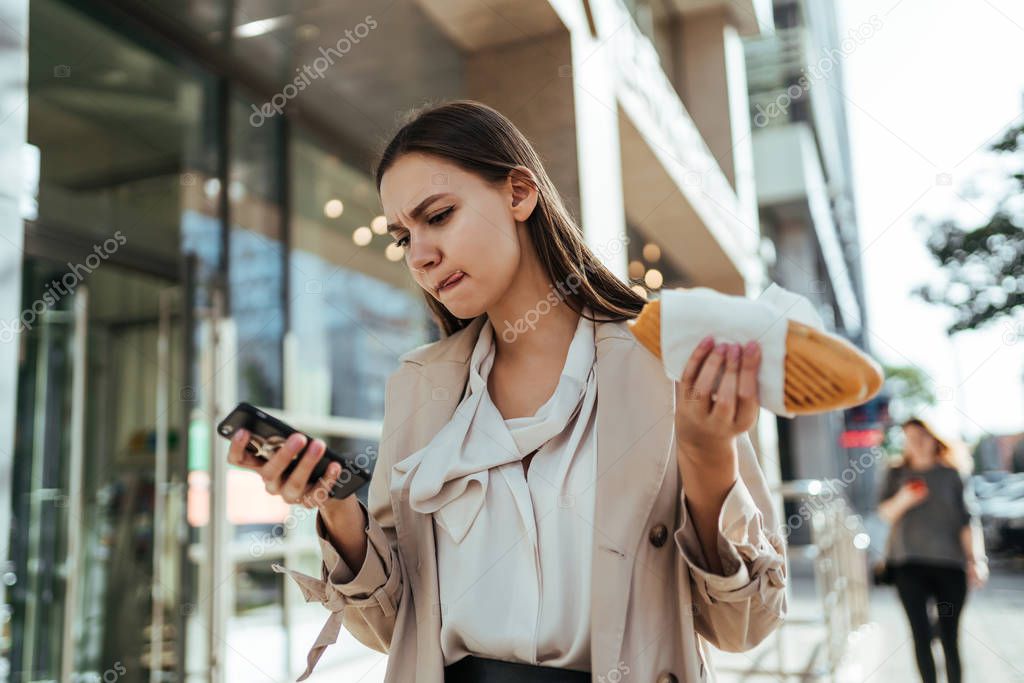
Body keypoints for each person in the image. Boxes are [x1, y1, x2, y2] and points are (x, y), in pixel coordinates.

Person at [227, 100, 787, 682]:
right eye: (403, 238)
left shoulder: (662, 363)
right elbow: (393, 630)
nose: (420, 255)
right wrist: (337, 509)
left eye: (439, 216)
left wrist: (706, 453)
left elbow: (744, 624)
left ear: (519, 193)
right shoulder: (419, 387)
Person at [877, 417, 988, 683]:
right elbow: (884, 513)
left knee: (949, 635)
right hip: (909, 565)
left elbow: (967, 521)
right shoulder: (896, 473)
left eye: (921, 436)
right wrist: (905, 498)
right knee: (920, 634)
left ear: (934, 438)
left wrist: (977, 560)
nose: (916, 443)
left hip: (950, 566)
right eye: (909, 437)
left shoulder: (951, 475)